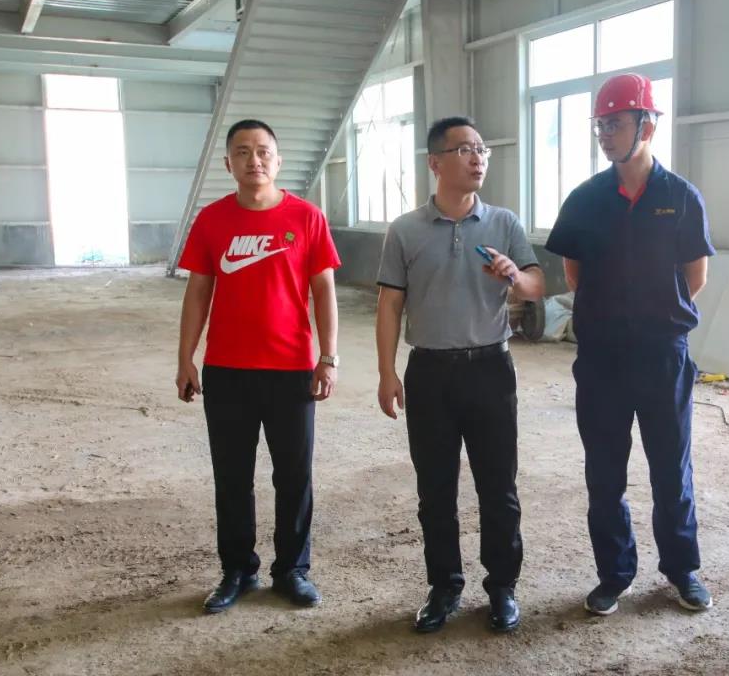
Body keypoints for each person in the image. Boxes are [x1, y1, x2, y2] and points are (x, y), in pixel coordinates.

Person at [544, 73, 715, 616]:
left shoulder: (680, 197)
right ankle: (614, 574)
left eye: (615, 123)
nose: (605, 134)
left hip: (663, 355)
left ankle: (682, 570)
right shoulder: (586, 200)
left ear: (648, 125)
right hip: (602, 359)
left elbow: (695, 276)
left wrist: (653, 315)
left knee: (671, 468)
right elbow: (574, 274)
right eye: (600, 125)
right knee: (605, 471)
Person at [375, 116, 545, 633]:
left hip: (490, 369)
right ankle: (444, 586)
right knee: (435, 490)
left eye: (481, 149)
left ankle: (503, 587)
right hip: (429, 373)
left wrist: (514, 275)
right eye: (465, 149)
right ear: (435, 162)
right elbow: (389, 305)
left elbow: (536, 285)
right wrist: (386, 372)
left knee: (499, 487)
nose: (477, 158)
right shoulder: (405, 230)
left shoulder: (504, 223)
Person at [175, 119, 342, 613]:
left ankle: (292, 570)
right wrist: (185, 357)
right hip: (227, 370)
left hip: (291, 370)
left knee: (294, 477)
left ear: (278, 160)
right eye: (243, 152)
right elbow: (198, 291)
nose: (255, 160)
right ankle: (237, 571)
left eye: (264, 150)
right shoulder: (212, 220)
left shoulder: (307, 218)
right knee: (232, 477)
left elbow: (324, 291)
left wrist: (328, 357)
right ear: (228, 163)